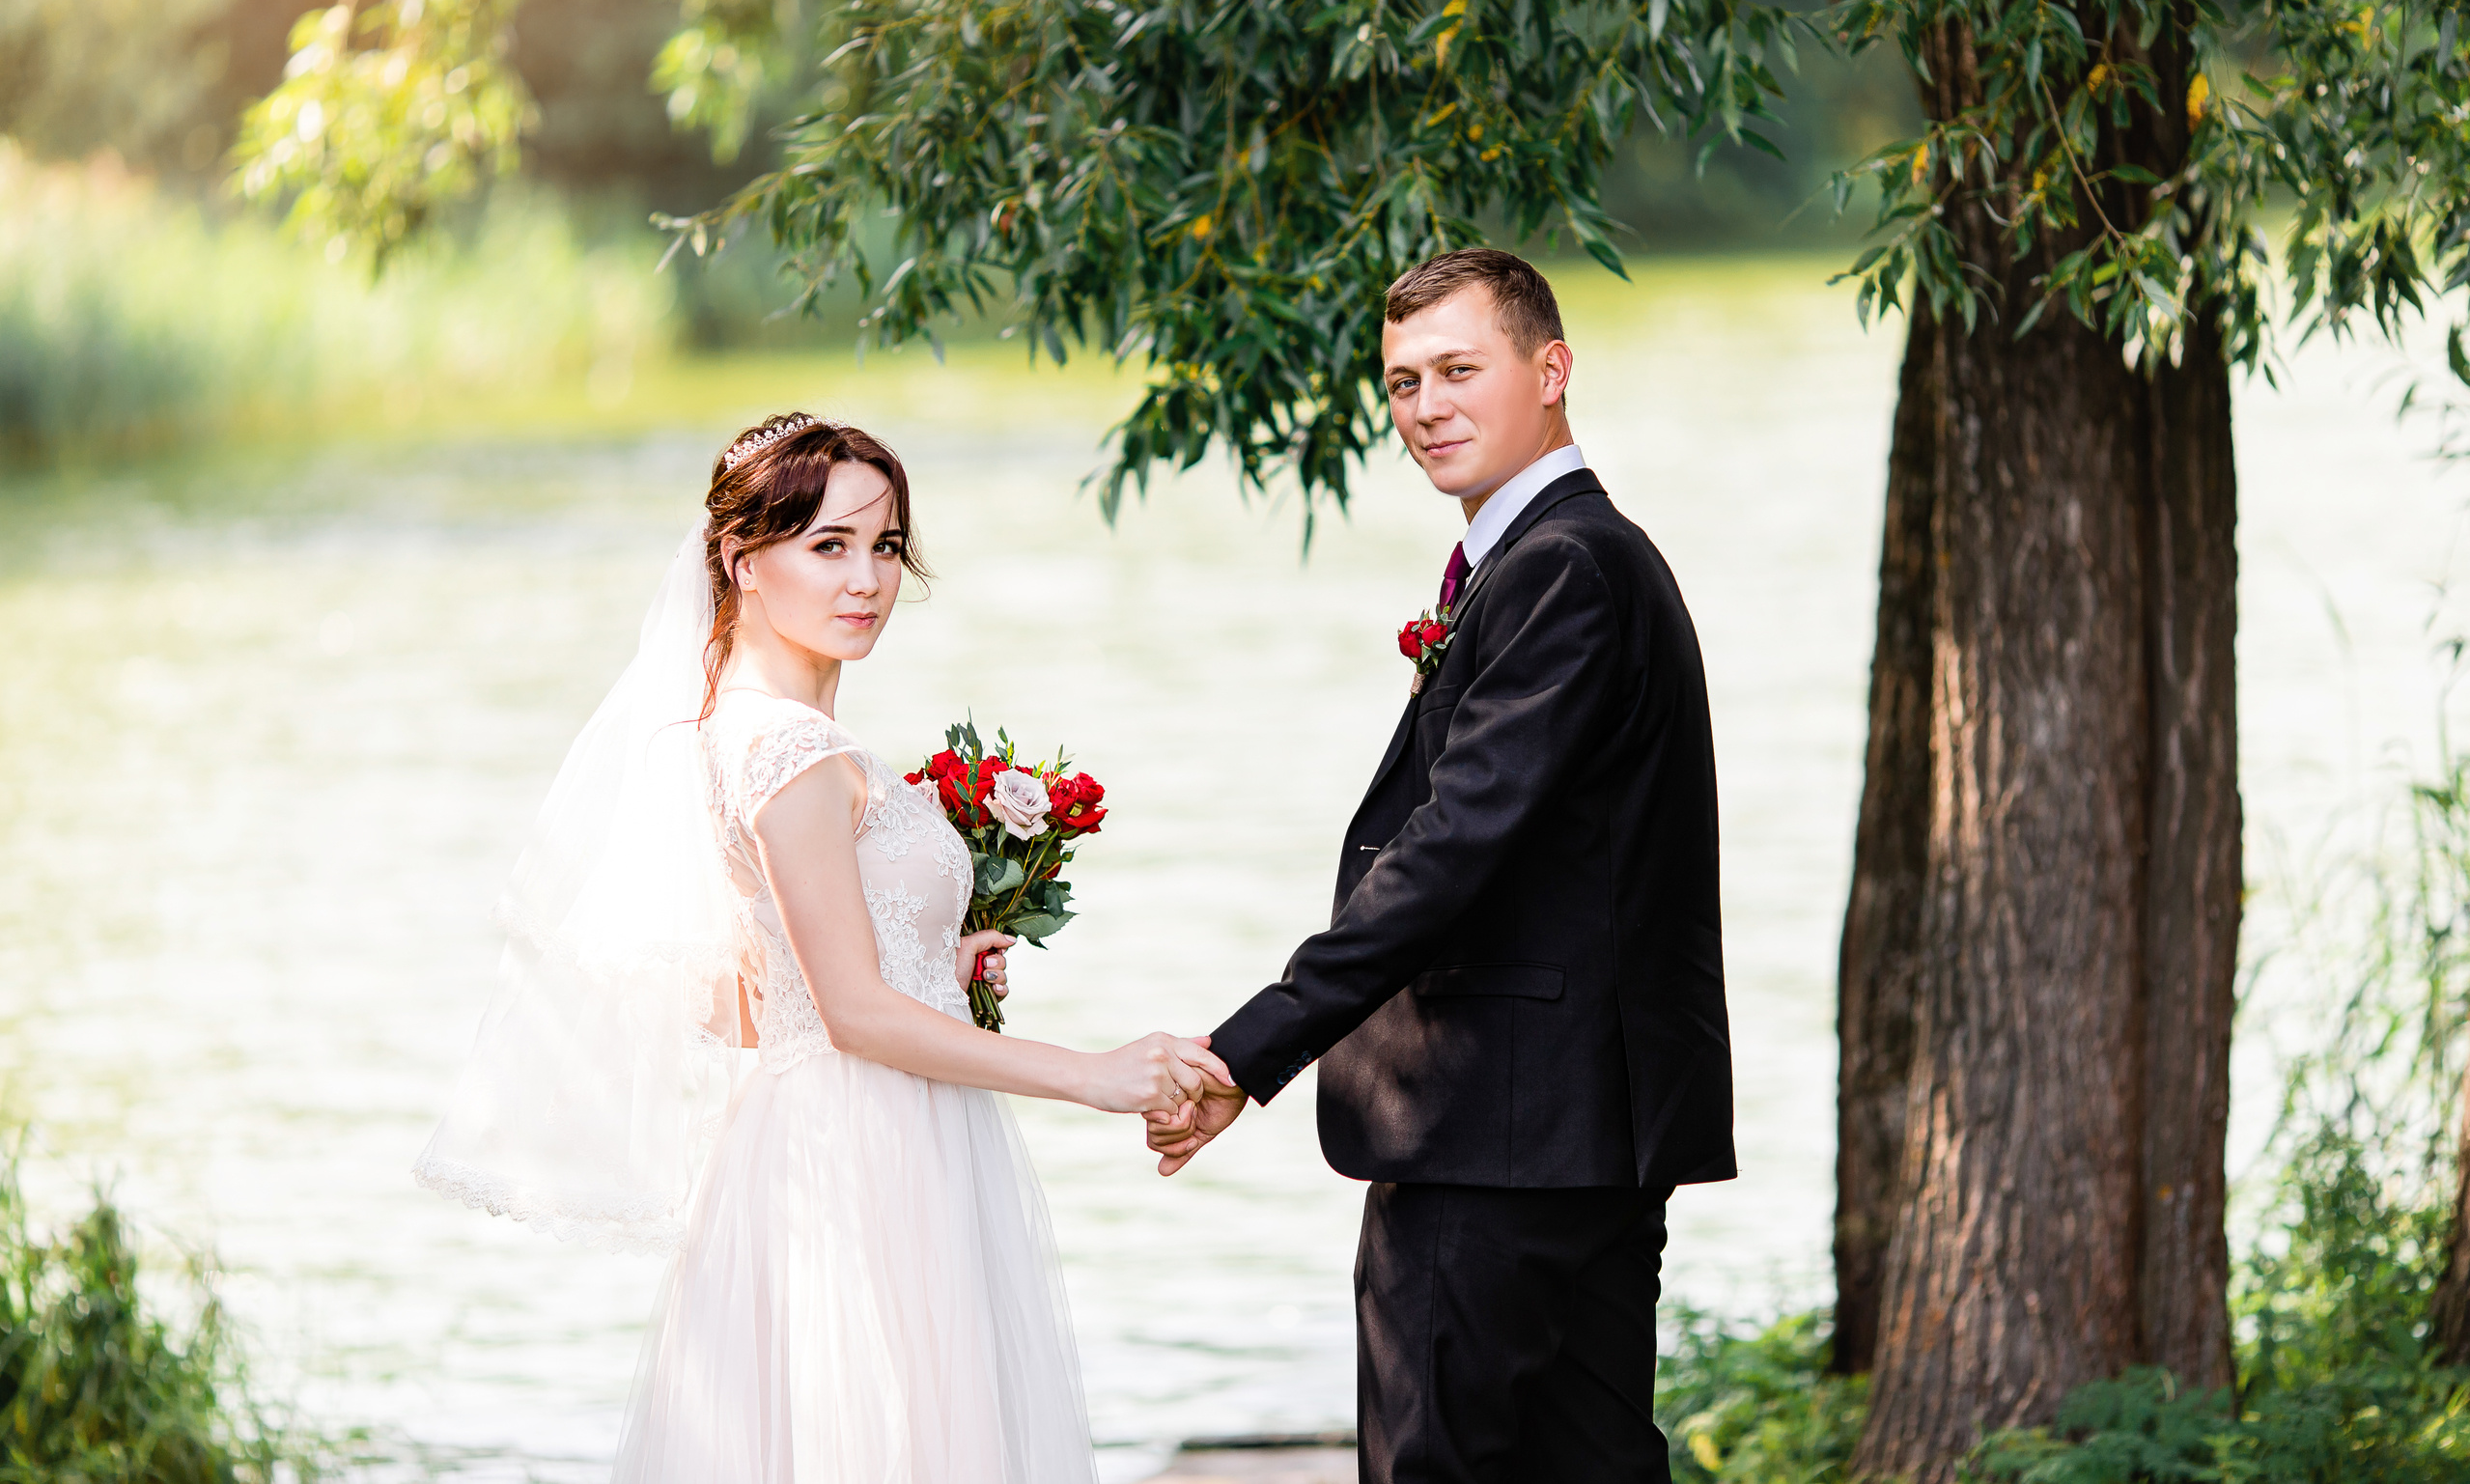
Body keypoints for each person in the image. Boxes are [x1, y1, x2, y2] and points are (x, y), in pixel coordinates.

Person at [416, 414, 1227, 1482]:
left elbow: (748, 995)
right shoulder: (789, 750)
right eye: (828, 545)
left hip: (836, 1132)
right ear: (742, 561)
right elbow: (853, 1015)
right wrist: (1093, 1076)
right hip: (861, 1151)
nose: (868, 580)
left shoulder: (742, 728)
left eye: (885, 547)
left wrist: (941, 957)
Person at [1145, 249, 1735, 1483]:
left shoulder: (1561, 567)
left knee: (1435, 1466)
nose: (1425, 407)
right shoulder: (1564, 556)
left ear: (1552, 369)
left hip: (1497, 1130)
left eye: (1459, 370)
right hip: (1574, 1131)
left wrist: (1249, 1050)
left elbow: (1454, 846)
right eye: (1403, 381)